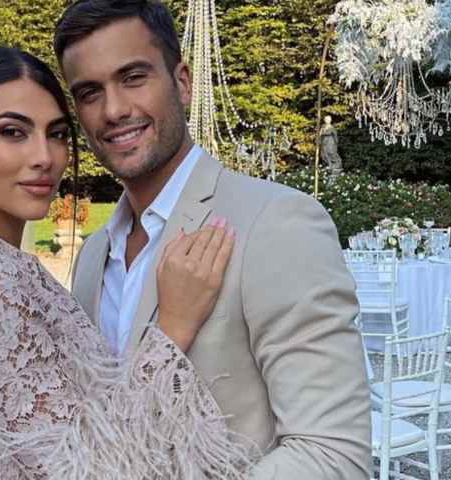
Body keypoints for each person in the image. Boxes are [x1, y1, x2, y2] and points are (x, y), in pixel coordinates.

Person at [55, 1, 372, 478]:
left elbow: (332, 455)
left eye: (134, 77)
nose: (114, 109)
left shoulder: (275, 223)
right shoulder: (93, 256)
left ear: (181, 82)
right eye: (89, 92)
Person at [0, 46, 256, 479]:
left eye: (56, 134)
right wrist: (173, 327)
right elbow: (83, 471)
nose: (44, 156)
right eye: (13, 132)